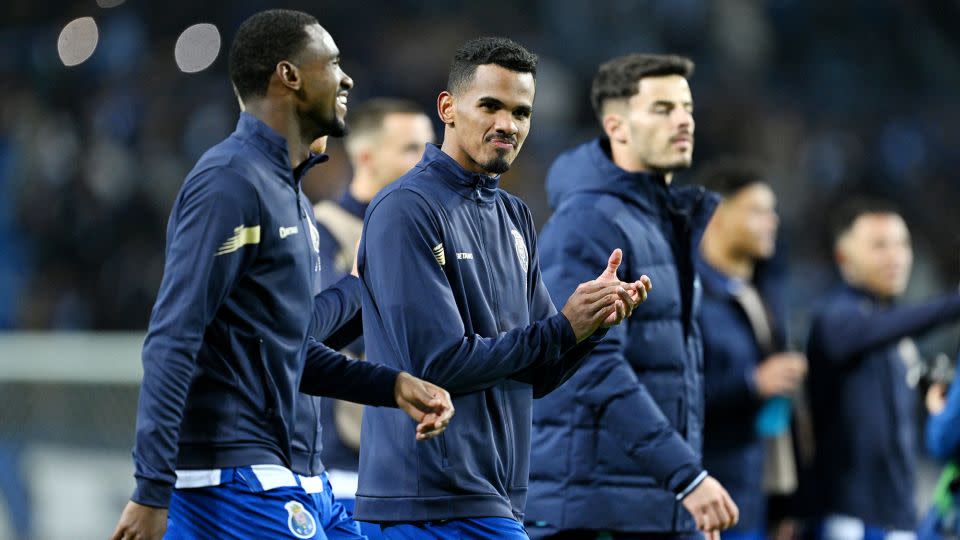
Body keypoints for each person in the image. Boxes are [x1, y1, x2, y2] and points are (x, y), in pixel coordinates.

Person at [109, 10, 454, 540]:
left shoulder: (288, 194)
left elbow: (286, 347)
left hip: (291, 475)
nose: (347, 79)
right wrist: (152, 486)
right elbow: (175, 336)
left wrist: (391, 384)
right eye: (333, 63)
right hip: (234, 479)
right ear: (289, 75)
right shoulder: (230, 182)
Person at [353, 37, 651, 539]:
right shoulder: (407, 210)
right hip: (426, 503)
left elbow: (536, 373)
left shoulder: (514, 216)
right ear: (448, 108)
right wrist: (562, 327)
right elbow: (434, 366)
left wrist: (590, 326)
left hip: (494, 498)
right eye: (489, 106)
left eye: (521, 112)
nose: (507, 125)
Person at [526, 53, 739, 540]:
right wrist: (685, 477)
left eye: (686, 106)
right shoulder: (589, 221)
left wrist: (679, 501)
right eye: (662, 108)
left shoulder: (658, 223)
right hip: (593, 513)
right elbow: (591, 367)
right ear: (617, 125)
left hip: (645, 508)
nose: (683, 119)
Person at [297, 99, 435, 539]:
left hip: (419, 466)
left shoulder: (432, 235)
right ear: (366, 156)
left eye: (430, 148)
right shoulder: (322, 230)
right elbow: (312, 337)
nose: (427, 160)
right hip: (347, 467)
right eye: (411, 148)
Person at [807, 199, 960, 540]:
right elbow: (873, 330)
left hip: (898, 515)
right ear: (843, 258)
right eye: (879, 246)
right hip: (851, 518)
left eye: (902, 245)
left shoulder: (892, 329)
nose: (896, 257)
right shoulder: (835, 319)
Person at [696, 159, 808, 540]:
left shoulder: (759, 292)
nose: (772, 221)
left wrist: (785, 504)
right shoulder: (690, 294)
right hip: (708, 496)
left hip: (755, 494)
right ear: (717, 216)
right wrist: (751, 383)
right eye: (758, 211)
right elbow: (672, 395)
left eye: (772, 211)